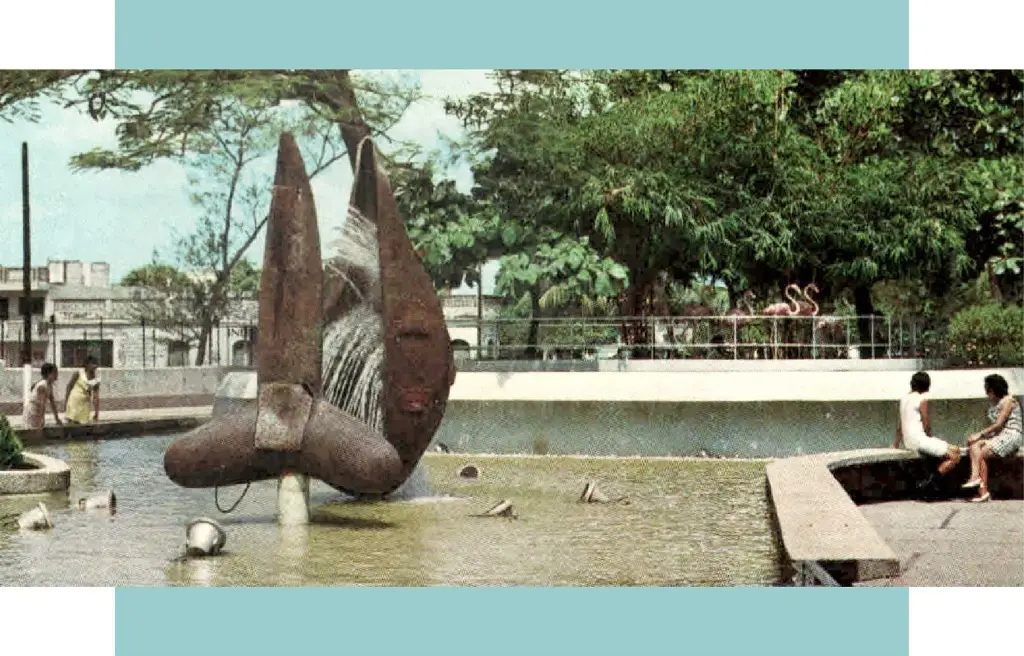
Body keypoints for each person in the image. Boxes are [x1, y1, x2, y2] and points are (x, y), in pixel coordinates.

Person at [961, 374, 1023, 503]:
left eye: (988, 390)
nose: (986, 393)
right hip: (1000, 436)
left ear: (995, 389)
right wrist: (977, 439)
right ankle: (978, 484)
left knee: (981, 453)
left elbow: (999, 424)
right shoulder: (993, 405)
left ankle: (979, 486)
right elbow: (995, 429)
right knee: (974, 446)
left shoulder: (1009, 401)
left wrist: (980, 434)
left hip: (1012, 435)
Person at [893, 371, 961, 475]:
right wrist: (931, 438)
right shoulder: (921, 399)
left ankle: (932, 480)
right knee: (955, 457)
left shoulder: (904, 399)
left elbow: (900, 425)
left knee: (956, 449)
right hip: (920, 440)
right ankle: (932, 481)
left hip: (909, 442)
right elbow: (926, 424)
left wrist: (896, 443)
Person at [22, 362, 63, 437]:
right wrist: (41, 420)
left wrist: (57, 418)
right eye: (55, 372)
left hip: (38, 412)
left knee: (37, 434)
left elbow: (52, 403)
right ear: (49, 374)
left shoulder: (49, 385)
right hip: (33, 412)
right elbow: (42, 404)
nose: (57, 375)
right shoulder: (43, 386)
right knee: (32, 435)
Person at [64, 356, 101, 424]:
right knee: (71, 424)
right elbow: (69, 387)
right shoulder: (78, 373)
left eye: (96, 364)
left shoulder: (97, 379)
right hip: (73, 402)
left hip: (85, 405)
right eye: (92, 363)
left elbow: (96, 397)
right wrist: (66, 402)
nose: (95, 366)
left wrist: (96, 413)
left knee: (83, 425)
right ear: (86, 364)